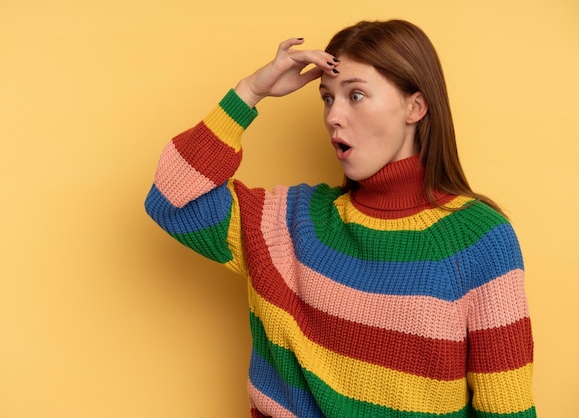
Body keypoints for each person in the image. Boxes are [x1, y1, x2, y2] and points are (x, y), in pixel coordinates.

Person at [145, 19, 536, 417]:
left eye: (356, 95)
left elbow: (506, 407)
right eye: (328, 98)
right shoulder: (290, 225)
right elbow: (171, 198)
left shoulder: (478, 239)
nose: (334, 116)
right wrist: (250, 91)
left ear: (415, 107)